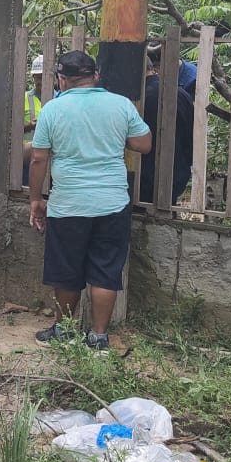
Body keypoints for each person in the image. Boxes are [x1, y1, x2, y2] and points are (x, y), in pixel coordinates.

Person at [28, 51, 151, 350]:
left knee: (67, 269)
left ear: (62, 79)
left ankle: (65, 331)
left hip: (69, 203)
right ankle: (98, 336)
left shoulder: (53, 109)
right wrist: (114, 137)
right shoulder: (120, 104)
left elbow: (38, 158)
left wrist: (35, 200)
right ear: (95, 75)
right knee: (106, 270)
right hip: (112, 202)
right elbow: (143, 144)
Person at [139, 48, 195, 205]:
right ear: (152, 68)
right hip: (174, 176)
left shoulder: (139, 99)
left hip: (142, 183)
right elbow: (190, 139)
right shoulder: (181, 93)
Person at [21, 56, 45, 186]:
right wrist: (29, 126)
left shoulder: (59, 97)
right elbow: (11, 128)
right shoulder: (23, 98)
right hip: (28, 157)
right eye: (38, 77)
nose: (41, 81)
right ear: (33, 78)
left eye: (44, 76)